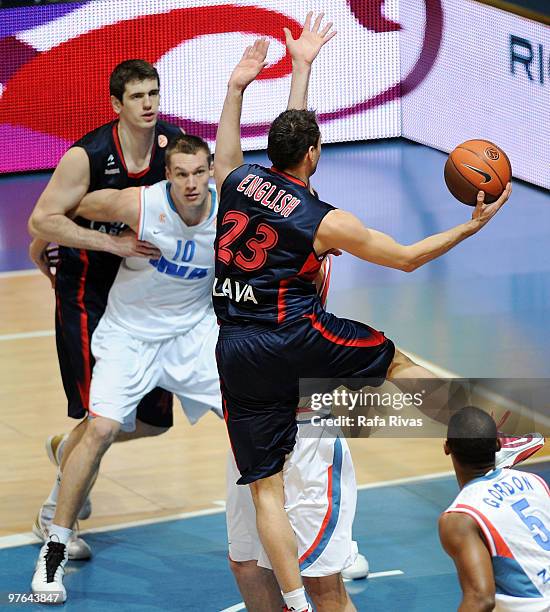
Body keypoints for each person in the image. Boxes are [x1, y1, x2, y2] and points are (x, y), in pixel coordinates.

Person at [212, 29, 541, 612]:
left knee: (261, 493)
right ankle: (479, 435)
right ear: (313, 153)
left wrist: (249, 85)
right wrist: (473, 225)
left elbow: (255, 143)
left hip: (235, 348)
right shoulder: (322, 219)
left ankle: (294, 601)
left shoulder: (236, 181)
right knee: (390, 357)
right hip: (293, 339)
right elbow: (409, 258)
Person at [28, 59, 182, 558]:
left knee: (154, 422)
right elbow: (42, 220)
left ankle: (65, 450)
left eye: (153, 94)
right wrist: (107, 243)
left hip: (143, 297)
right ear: (117, 104)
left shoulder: (173, 149)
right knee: (105, 418)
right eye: (137, 97)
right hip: (87, 292)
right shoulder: (87, 155)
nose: (148, 105)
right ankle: (55, 514)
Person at [440, 406, 550, 611]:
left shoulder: (460, 517)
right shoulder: (535, 482)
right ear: (499, 444)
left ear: (447, 447)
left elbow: (481, 599)